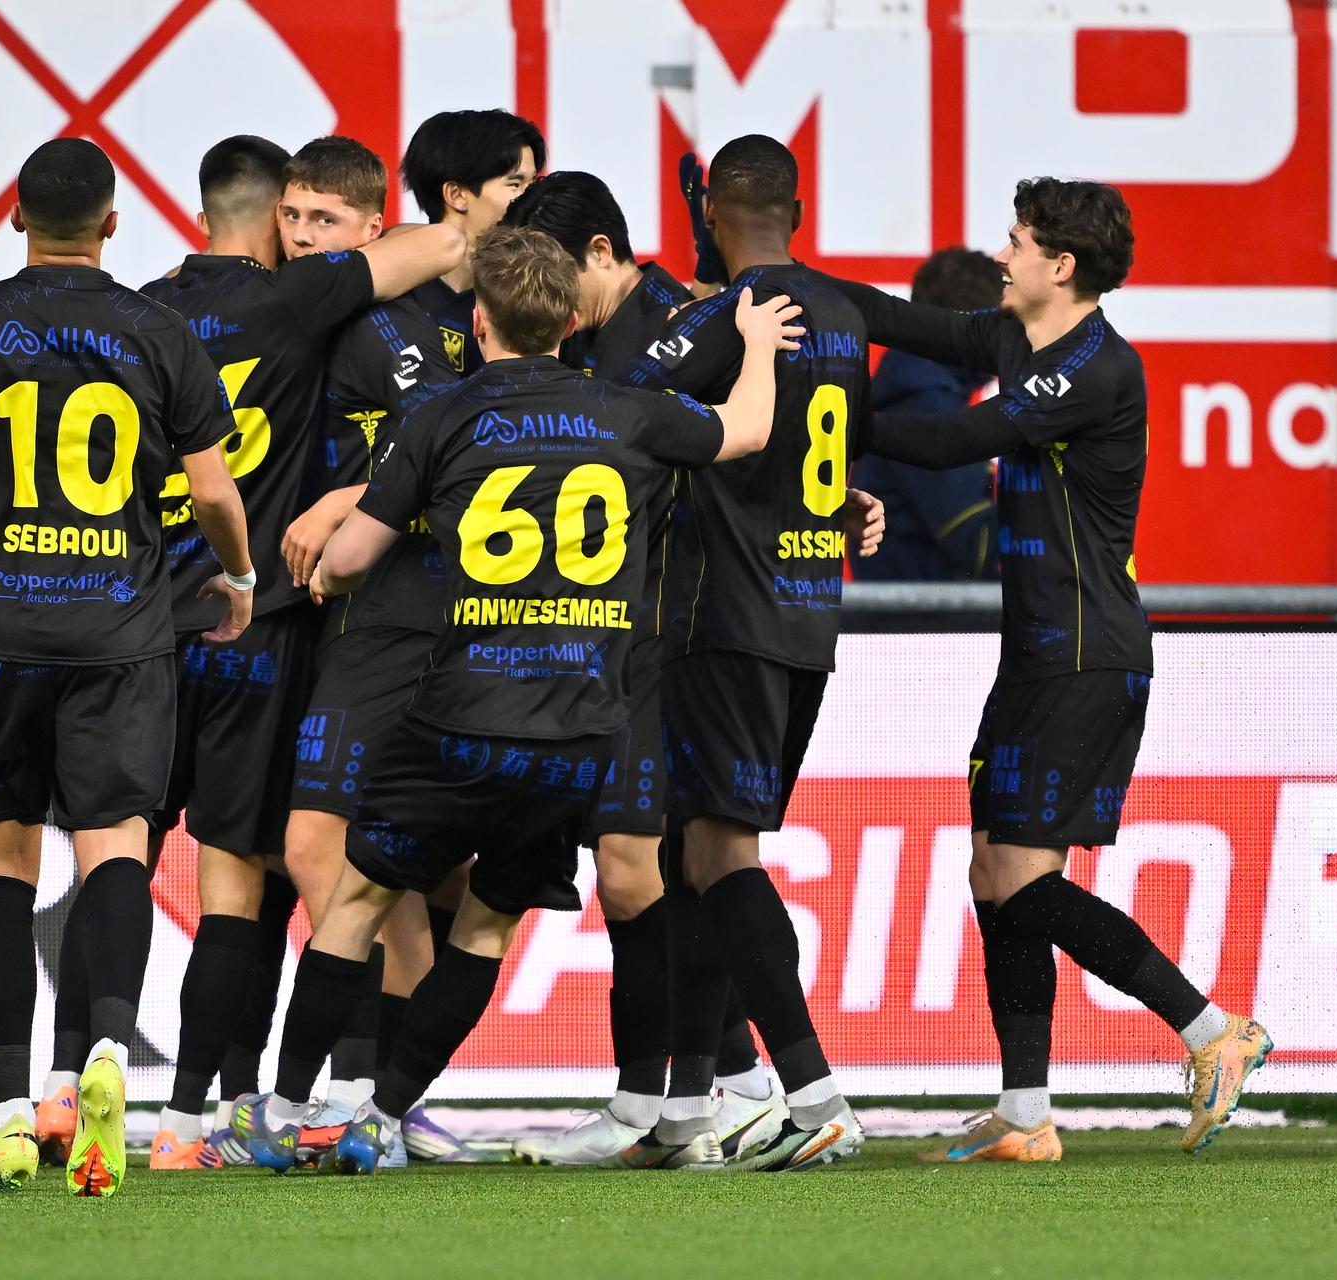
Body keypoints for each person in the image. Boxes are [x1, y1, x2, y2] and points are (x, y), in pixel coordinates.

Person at [230, 225, 800, 1173]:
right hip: (579, 728)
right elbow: (745, 430)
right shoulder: (632, 410)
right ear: (573, 322)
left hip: (458, 714)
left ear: (479, 321)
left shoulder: (443, 413)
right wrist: (757, 348)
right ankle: (379, 1120)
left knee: (360, 899)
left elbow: (356, 554)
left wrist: (331, 566)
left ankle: (288, 1114)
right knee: (489, 922)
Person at [827, 177, 1271, 1161]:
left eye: (1017, 241)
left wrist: (811, 415)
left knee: (1025, 885)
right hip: (1035, 654)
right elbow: (901, 318)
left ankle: (1212, 1030)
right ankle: (1026, 1113)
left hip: (1086, 656)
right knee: (994, 872)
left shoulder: (1099, 368)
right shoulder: (1015, 336)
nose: (1002, 254)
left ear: (1060, 266)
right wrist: (781, 285)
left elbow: (948, 438)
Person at [56, 134, 458, 1173]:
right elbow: (431, 249)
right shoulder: (298, 303)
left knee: (114, 856)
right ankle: (263, 1110)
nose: (304, 234)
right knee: (250, 871)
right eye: (299, 216)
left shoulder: (137, 310)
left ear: (194, 207)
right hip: (254, 624)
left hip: (133, 627)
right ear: (275, 208)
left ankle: (88, 1092)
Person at [0, 137, 254, 1196]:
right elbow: (217, 494)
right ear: (114, 224)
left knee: (2, 857)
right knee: (115, 848)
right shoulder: (158, 330)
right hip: (119, 634)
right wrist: (238, 573)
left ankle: (3, 1112)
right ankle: (107, 1057)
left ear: (14, 216)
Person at [271, 109, 546, 1165]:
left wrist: (347, 491)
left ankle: (379, 1101)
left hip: (469, 618)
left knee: (420, 873)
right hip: (373, 616)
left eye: (323, 216)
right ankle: (365, 1098)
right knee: (323, 850)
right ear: (458, 199)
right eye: (293, 216)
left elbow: (461, 460)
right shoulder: (374, 310)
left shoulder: (504, 314)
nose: (302, 235)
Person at [611, 135, 883, 1172]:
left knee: (722, 856)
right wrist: (849, 500)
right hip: (806, 618)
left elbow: (627, 395)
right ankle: (688, 1108)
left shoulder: (725, 320)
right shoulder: (847, 319)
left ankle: (810, 1092)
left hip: (724, 617)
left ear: (711, 217)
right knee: (695, 857)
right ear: (799, 213)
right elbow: (809, 456)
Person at [499, 170, 779, 1165]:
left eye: (559, 269)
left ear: (608, 254)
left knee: (653, 873)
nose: (548, 291)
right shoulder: (592, 343)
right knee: (649, 873)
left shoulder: (693, 325)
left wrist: (830, 504)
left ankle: (671, 1099)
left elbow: (763, 429)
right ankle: (708, 1094)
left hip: (675, 641)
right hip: (613, 642)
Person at [849, 247, 1001, 582]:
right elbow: (977, 544)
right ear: (973, 325)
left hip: (913, 624)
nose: (1010, 341)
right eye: (1002, 325)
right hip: (929, 629)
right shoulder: (927, 410)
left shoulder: (911, 396)